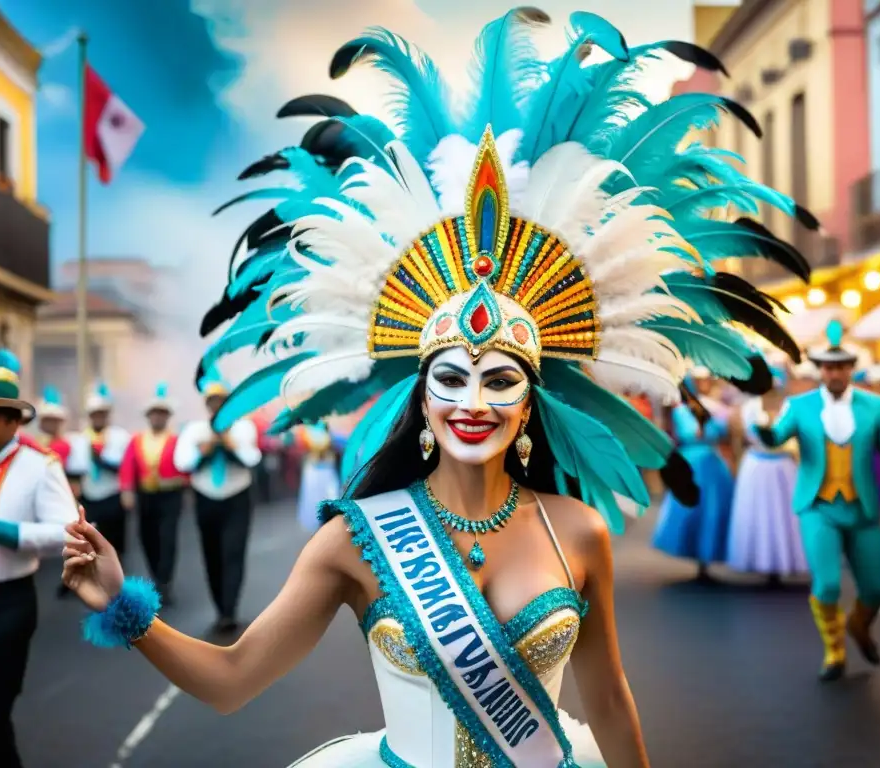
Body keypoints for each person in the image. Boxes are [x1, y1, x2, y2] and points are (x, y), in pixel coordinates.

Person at [60, 11, 812, 766]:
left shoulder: (578, 531)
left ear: (530, 405)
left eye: (500, 380)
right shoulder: (353, 540)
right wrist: (126, 609)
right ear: (422, 400)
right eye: (450, 378)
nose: (472, 401)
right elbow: (232, 680)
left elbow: (610, 698)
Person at [757, 320, 880, 681]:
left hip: (862, 509)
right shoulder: (799, 406)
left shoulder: (875, 406)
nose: (835, 372)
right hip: (818, 507)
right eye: (828, 366)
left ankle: (859, 625)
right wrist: (763, 425)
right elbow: (775, 437)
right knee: (827, 584)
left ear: (851, 369)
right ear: (820, 370)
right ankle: (835, 650)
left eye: (842, 365)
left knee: (876, 589)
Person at [0, 348, 78, 767]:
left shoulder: (39, 466)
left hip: (7, 602)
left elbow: (68, 533)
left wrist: (6, 532)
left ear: (12, 420)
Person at [174, 369, 261, 634]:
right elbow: (183, 462)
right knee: (212, 555)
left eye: (222, 401)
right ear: (206, 404)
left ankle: (229, 611)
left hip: (237, 497)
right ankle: (219, 606)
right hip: (205, 497)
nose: (218, 406)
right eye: (213, 401)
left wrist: (229, 443)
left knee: (233, 552)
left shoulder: (244, 427)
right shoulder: (194, 430)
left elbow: (251, 459)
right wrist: (207, 448)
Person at [652, 367, 735, 581]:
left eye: (706, 379)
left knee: (713, 511)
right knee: (691, 509)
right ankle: (698, 560)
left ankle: (705, 561)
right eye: (699, 380)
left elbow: (721, 433)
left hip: (711, 465)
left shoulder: (717, 407)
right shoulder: (683, 409)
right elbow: (690, 433)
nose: (703, 383)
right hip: (691, 463)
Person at [727, 365, 808, 583]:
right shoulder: (748, 408)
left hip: (783, 466)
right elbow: (740, 438)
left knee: (784, 516)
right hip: (758, 465)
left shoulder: (791, 407)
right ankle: (762, 562)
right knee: (760, 514)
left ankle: (782, 563)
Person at [118, 384, 187, 606]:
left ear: (167, 416)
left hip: (170, 496)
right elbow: (128, 466)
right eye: (154, 413)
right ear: (149, 416)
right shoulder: (137, 440)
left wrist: (183, 483)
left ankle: (164, 581)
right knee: (147, 537)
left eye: (162, 413)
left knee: (167, 538)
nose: (158, 417)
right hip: (145, 496)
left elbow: (186, 467)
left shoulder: (176, 440)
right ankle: (156, 572)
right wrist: (127, 490)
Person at [66, 382, 131, 557]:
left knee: (116, 543)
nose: (98, 417)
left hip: (113, 496)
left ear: (108, 415)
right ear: (89, 416)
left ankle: (117, 578)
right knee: (91, 543)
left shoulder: (120, 437)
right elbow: (74, 470)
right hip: (89, 497)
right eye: (95, 414)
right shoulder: (80, 439)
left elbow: (125, 467)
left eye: (102, 414)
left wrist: (101, 461)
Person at [290, 420, 341, 533]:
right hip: (314, 467)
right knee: (314, 496)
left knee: (329, 493)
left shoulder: (324, 426)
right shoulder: (305, 431)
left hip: (326, 466)